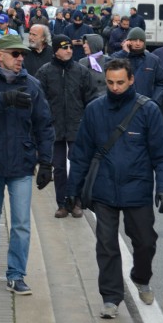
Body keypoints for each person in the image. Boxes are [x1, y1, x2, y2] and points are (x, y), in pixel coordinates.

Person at [67, 58, 163, 319]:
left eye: (120, 83)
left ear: (132, 80)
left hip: (137, 188)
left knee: (145, 241)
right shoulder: (94, 110)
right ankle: (111, 298)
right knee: (106, 245)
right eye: (111, 82)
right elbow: (80, 153)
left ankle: (141, 277)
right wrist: (72, 189)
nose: (115, 88)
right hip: (103, 189)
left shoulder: (149, 111)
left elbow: (162, 154)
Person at [0, 34, 56, 295]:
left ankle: (16, 274)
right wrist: (3, 100)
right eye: (15, 54)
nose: (20, 59)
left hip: (21, 163)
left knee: (21, 223)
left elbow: (44, 126)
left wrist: (47, 162)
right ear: (0, 54)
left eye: (23, 55)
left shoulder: (33, 85)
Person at [37, 35, 99, 218]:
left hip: (76, 126)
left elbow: (92, 98)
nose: (69, 51)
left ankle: (76, 201)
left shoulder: (81, 71)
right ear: (55, 50)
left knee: (78, 165)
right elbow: (39, 100)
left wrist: (88, 122)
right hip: (54, 128)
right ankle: (62, 203)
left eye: (70, 47)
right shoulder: (45, 72)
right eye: (64, 48)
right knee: (59, 167)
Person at [109, 29, 163, 109]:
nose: (138, 43)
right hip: (122, 106)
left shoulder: (153, 60)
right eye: (134, 40)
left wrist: (154, 102)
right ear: (128, 41)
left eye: (141, 40)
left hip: (145, 108)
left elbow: (162, 84)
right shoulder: (120, 57)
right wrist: (124, 53)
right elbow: (108, 66)